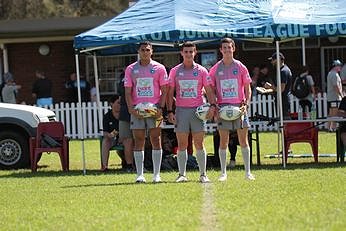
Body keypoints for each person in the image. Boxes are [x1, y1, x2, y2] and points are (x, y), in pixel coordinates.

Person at [167, 41, 216, 183]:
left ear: (195, 52)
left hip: (198, 112)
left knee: (199, 144)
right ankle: (182, 174)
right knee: (181, 144)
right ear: (181, 53)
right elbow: (170, 92)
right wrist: (170, 111)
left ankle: (203, 174)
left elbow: (209, 90)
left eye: (191, 51)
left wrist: (212, 106)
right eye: (186, 52)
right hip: (181, 111)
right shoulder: (175, 71)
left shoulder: (202, 70)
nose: (188, 54)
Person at [209, 37, 255, 181]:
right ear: (221, 50)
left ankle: (248, 172)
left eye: (230, 47)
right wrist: (214, 104)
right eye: (225, 48)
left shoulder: (240, 67)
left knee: (244, 141)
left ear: (233, 49)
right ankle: (223, 173)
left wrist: (246, 104)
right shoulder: (216, 68)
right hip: (223, 109)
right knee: (223, 141)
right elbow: (209, 88)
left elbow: (248, 88)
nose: (227, 50)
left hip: (239, 109)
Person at [124, 41, 169, 183]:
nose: (145, 52)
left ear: (152, 51)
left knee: (156, 139)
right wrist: (131, 108)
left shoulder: (159, 68)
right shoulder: (131, 69)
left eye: (147, 50)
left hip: (155, 110)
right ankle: (140, 174)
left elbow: (165, 90)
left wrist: (160, 108)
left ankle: (156, 174)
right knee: (139, 140)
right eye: (142, 50)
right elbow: (127, 91)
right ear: (138, 51)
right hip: (137, 110)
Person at [265, 52, 292, 119]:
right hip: (282, 100)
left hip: (283, 101)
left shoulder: (283, 71)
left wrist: (270, 86)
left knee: (284, 123)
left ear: (278, 59)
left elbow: (281, 89)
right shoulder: (283, 70)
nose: (271, 62)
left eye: (273, 60)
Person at [118, 71, 134, 172]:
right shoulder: (137, 74)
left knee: (127, 141)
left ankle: (129, 166)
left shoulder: (122, 78)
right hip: (137, 109)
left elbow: (120, 97)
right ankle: (135, 166)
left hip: (124, 111)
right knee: (137, 140)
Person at [101, 95, 121, 171]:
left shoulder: (124, 115)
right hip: (112, 139)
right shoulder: (107, 116)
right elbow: (105, 133)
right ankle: (105, 166)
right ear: (111, 104)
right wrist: (109, 135)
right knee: (105, 141)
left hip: (124, 138)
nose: (120, 105)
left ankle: (130, 165)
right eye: (118, 103)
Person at [327, 59, 343, 131]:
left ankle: (329, 127)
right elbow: (336, 86)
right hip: (335, 97)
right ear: (335, 66)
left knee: (331, 113)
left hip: (331, 97)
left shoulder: (330, 73)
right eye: (339, 66)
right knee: (335, 113)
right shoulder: (334, 74)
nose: (340, 67)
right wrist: (341, 94)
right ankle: (333, 128)